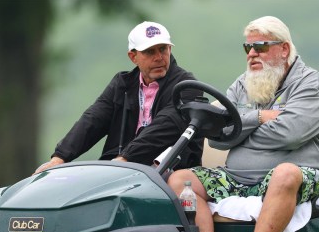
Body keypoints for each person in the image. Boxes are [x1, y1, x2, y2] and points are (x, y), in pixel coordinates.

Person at [167, 16, 319, 232]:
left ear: (284, 49)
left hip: (301, 174)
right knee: (180, 180)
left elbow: (289, 133)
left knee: (285, 172)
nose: (253, 54)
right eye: (248, 48)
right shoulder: (243, 84)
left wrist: (240, 132)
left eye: (261, 47)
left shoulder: (311, 83)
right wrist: (259, 116)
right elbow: (218, 135)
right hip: (240, 176)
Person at [35, 21, 203, 174]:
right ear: (133, 57)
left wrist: (125, 159)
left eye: (162, 49)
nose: (158, 57)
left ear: (170, 49)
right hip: (121, 170)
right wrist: (59, 158)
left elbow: (165, 126)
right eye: (150, 52)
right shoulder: (122, 84)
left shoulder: (187, 86)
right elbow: (93, 120)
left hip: (170, 172)